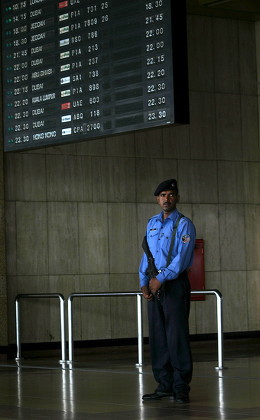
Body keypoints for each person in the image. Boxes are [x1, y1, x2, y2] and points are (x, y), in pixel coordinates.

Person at [139, 179, 196, 403]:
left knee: (176, 336)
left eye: (171, 194)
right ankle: (164, 384)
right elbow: (147, 255)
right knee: (158, 337)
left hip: (173, 284)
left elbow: (181, 259)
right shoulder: (152, 223)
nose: (166, 199)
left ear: (177, 198)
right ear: (157, 199)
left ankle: (181, 386)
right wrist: (144, 281)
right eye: (162, 195)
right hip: (154, 285)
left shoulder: (184, 224)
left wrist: (160, 279)